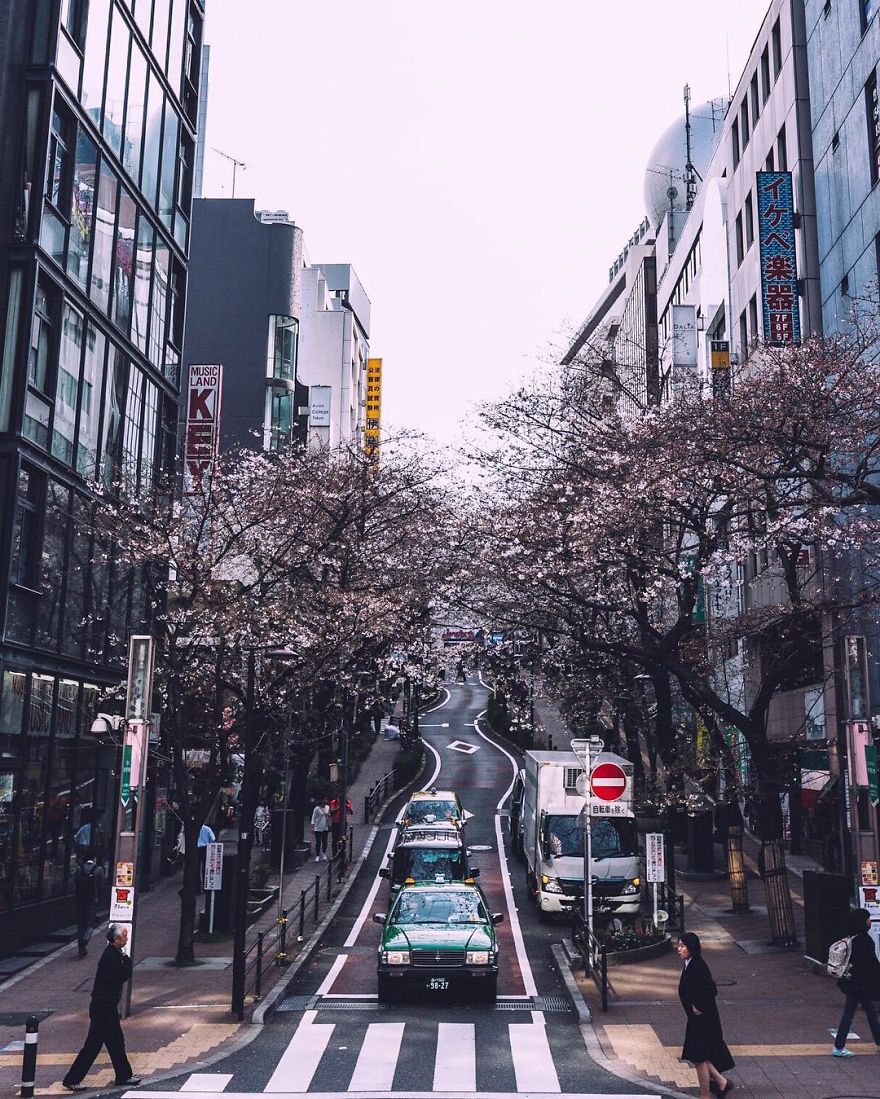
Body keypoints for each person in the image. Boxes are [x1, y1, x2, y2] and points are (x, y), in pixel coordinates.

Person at [62, 924, 141, 1091]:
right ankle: (72, 1079)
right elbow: (124, 973)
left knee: (116, 1042)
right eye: (124, 936)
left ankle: (124, 1075)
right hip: (102, 1009)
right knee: (93, 1045)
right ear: (116, 939)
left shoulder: (113, 953)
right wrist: (127, 959)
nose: (126, 939)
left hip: (107, 1008)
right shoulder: (112, 956)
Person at [677, 932, 735, 1098]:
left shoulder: (698, 966)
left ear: (691, 948)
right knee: (698, 1056)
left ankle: (705, 1095)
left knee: (699, 1057)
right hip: (697, 1019)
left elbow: (711, 990)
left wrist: (697, 1006)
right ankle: (722, 1082)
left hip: (703, 1019)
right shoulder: (689, 963)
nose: (679, 949)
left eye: (682, 946)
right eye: (679, 945)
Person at [831, 907, 880, 1057]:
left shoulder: (852, 939)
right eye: (868, 919)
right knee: (850, 1013)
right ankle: (838, 1047)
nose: (870, 922)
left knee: (870, 1012)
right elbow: (872, 964)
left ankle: (878, 1041)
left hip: (853, 982)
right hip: (860, 985)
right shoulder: (865, 941)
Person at [74, 857, 106, 959]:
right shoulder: (99, 870)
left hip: (80, 901)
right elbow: (101, 887)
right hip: (92, 901)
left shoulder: (79, 869)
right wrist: (101, 901)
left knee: (81, 924)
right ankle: (85, 940)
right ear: (95, 859)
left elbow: (76, 885)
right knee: (90, 923)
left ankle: (80, 949)